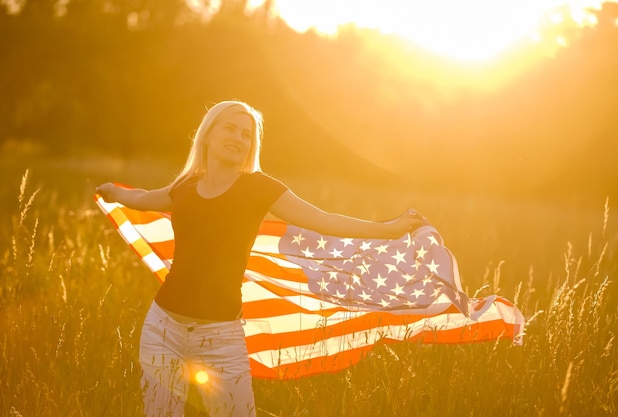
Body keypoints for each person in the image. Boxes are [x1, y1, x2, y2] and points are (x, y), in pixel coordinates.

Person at [96, 100, 425, 417]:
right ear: (208, 134)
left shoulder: (259, 188)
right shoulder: (186, 186)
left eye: (246, 134)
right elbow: (143, 198)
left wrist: (389, 229)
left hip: (221, 335)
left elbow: (324, 219)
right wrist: (114, 191)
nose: (238, 137)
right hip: (162, 328)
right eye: (230, 128)